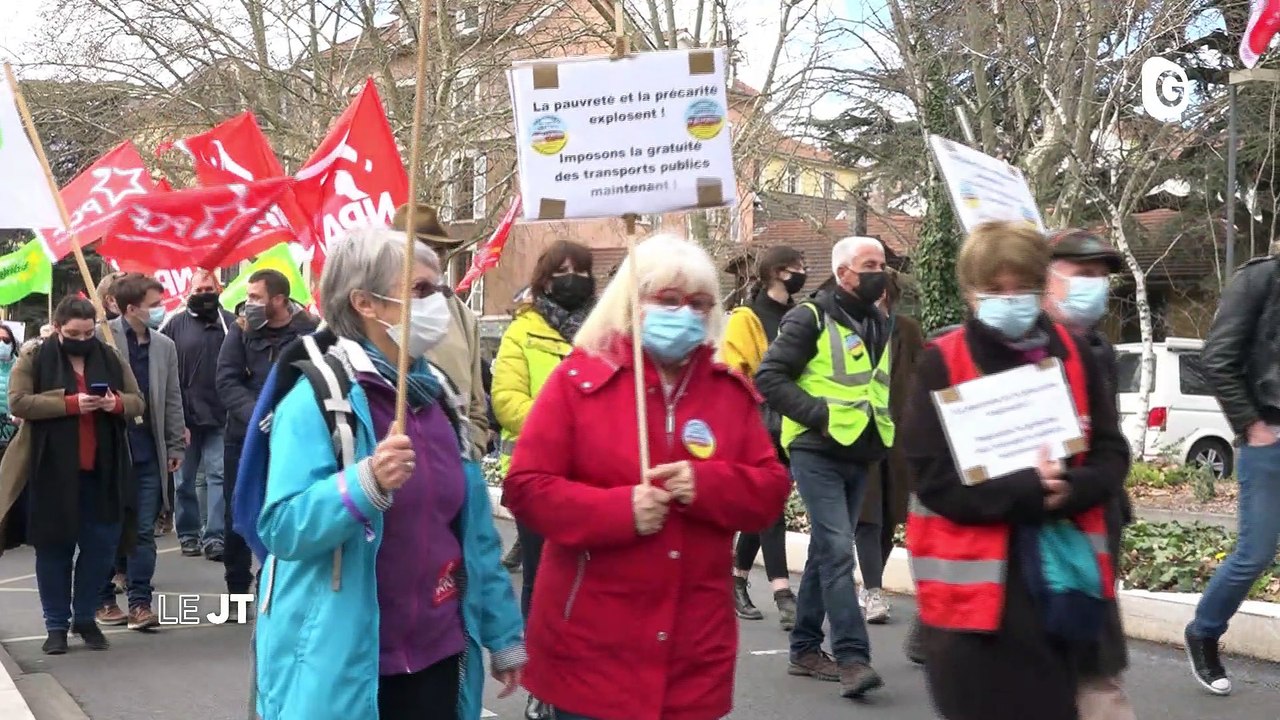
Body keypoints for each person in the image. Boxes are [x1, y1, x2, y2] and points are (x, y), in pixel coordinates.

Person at [503, 233, 791, 720]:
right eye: (670, 300)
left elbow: (768, 492)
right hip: (591, 646)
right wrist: (619, 511)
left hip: (692, 649)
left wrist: (707, 485)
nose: (686, 313)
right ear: (633, 303)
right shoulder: (578, 382)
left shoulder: (728, 391)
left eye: (700, 303)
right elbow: (527, 488)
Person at [253, 228, 525, 720]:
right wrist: (366, 484)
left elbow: (474, 532)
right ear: (364, 302)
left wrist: (503, 633)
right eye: (420, 290)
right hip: (348, 660)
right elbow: (281, 527)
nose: (439, 301)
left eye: (440, 288)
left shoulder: (439, 396)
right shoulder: (317, 399)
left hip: (439, 652)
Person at [901, 221, 1129, 720]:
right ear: (970, 291)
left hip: (1063, 589)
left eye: (1022, 288)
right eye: (995, 290)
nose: (1010, 299)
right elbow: (930, 477)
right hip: (972, 608)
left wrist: (1071, 488)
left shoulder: (1075, 355)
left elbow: (1112, 454)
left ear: (1041, 285)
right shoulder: (943, 361)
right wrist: (1026, 491)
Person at [754, 236, 893, 698]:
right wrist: (821, 416)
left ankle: (804, 649)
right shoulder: (809, 317)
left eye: (882, 263)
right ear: (842, 274)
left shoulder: (879, 322)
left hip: (860, 449)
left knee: (823, 553)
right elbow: (769, 377)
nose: (880, 271)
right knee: (836, 549)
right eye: (868, 264)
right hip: (816, 447)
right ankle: (853, 658)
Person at [0, 297, 145, 654]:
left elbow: (137, 401)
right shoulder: (34, 356)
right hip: (50, 471)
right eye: (73, 333)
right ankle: (56, 626)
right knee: (54, 549)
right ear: (58, 327)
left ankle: (85, 618)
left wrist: (115, 404)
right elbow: (18, 402)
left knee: (101, 548)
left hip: (103, 470)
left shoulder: (110, 357)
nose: (82, 338)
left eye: (88, 331)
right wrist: (67, 403)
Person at [491, 239, 595, 720]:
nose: (576, 278)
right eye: (564, 270)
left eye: (584, 270)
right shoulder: (523, 332)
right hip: (542, 479)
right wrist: (567, 426)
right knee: (545, 582)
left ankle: (587, 678)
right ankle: (542, 685)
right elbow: (507, 400)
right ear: (545, 278)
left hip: (599, 480)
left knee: (596, 587)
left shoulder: (607, 331)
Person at [1042, 229, 1136, 718]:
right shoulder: (1016, 350)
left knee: (1093, 671)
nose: (1094, 286)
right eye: (1083, 275)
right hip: (1037, 529)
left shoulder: (1097, 349)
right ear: (1045, 279)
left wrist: (1094, 488)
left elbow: (1109, 448)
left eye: (1101, 277)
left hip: (1094, 522)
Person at [1188, 241, 1280, 696]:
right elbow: (1216, 358)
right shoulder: (1260, 279)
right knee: (1256, 552)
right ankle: (1204, 630)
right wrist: (1252, 424)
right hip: (1270, 438)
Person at [216, 269, 319, 598]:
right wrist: (255, 414)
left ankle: (276, 580)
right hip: (244, 437)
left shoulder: (311, 333)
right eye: (248, 297)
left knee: (286, 506)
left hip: (293, 438)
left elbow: (320, 379)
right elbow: (226, 381)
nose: (250, 304)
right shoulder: (240, 331)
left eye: (257, 297)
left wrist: (288, 415)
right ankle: (237, 586)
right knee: (240, 507)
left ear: (279, 300)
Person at [92, 274, 185, 631]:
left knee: (143, 531)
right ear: (131, 308)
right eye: (154, 305)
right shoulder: (103, 337)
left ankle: (140, 602)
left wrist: (175, 442)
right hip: (111, 452)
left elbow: (173, 398)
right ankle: (102, 598)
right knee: (107, 527)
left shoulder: (164, 346)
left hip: (148, 451)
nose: (160, 311)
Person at [720, 244, 805, 630]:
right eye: (795, 268)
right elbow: (731, 373)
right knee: (770, 505)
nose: (801, 273)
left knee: (765, 506)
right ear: (776, 272)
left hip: (792, 421)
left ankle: (736, 581)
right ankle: (783, 591)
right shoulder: (747, 318)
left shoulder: (800, 317)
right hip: (757, 423)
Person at [852, 268, 924, 625]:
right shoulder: (850, 328)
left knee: (888, 517)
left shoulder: (907, 330)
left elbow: (922, 377)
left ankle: (868, 583)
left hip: (897, 437)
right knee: (867, 516)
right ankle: (873, 591)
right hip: (858, 434)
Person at [393, 203, 490, 457]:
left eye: (441, 251)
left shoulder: (462, 316)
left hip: (453, 465)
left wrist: (471, 451)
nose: (436, 258)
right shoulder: (370, 308)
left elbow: (477, 405)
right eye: (424, 249)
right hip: (391, 466)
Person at [161, 269, 236, 560]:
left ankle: (215, 536)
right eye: (199, 290)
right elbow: (165, 370)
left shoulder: (231, 324)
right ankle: (189, 533)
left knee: (218, 475)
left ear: (219, 288)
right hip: (185, 418)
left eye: (209, 289)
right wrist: (174, 418)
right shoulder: (174, 325)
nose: (205, 294)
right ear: (188, 293)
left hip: (221, 416)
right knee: (184, 480)